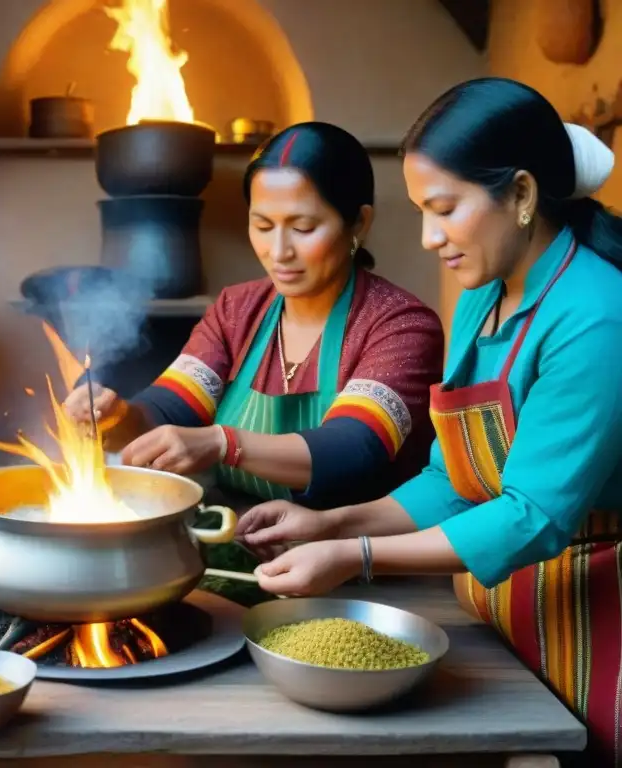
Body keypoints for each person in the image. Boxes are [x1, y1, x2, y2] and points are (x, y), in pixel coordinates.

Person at [234, 78, 622, 765]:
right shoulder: (482, 298)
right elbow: (453, 479)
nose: (427, 237)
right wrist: (331, 523)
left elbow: (532, 516)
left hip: (598, 624)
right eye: (419, 210)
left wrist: (355, 557)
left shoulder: (595, 315)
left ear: (523, 195)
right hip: (503, 619)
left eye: (443, 209)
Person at [65, 123, 444, 516]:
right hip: (237, 549)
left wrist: (223, 444)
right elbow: (167, 411)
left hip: (359, 561)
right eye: (262, 225)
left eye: (303, 228)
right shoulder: (237, 310)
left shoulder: (401, 325)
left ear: (359, 224)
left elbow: (354, 447)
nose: (278, 251)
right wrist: (116, 418)